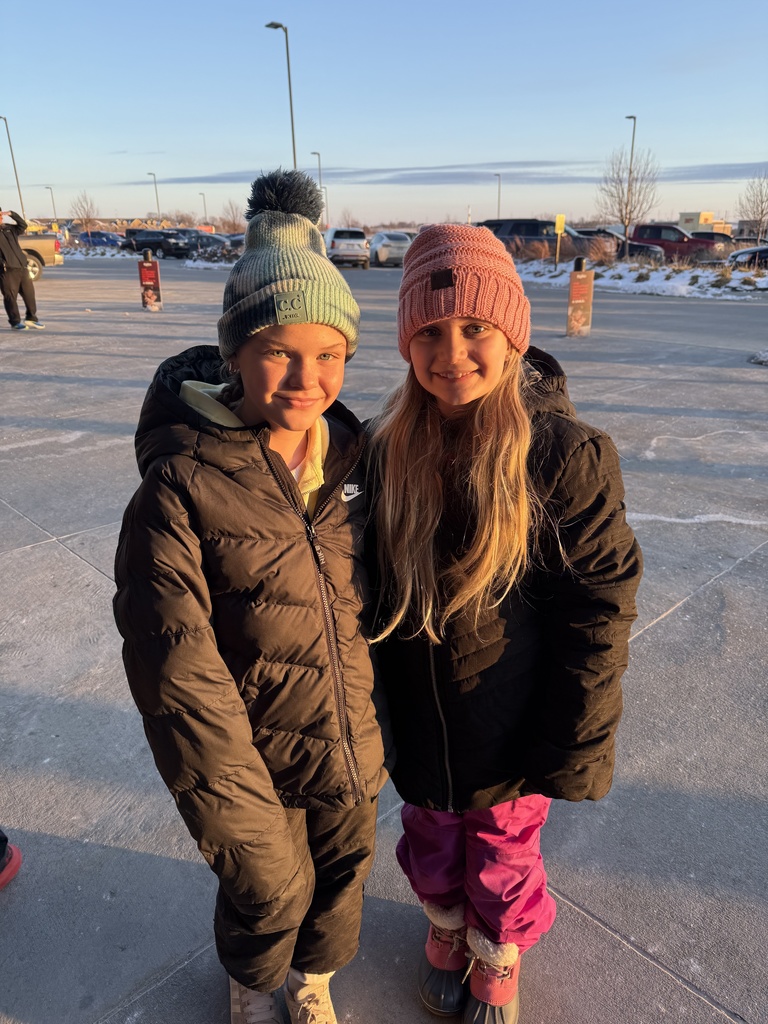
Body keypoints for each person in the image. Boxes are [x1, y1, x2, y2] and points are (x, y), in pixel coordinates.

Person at [113, 170, 392, 1024]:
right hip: (249, 763)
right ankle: (251, 977)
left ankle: (313, 980)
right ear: (234, 351)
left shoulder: (355, 462)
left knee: (340, 881)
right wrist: (239, 807)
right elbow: (178, 676)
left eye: (330, 355)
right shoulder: (181, 489)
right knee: (267, 890)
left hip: (348, 745)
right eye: (279, 349)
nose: (307, 378)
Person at [367, 224, 642, 1023]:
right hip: (422, 721)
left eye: (475, 330)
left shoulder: (563, 454)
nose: (452, 353)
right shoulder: (384, 450)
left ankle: (499, 948)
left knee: (503, 853)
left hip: (513, 725)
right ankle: (446, 926)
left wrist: (574, 738)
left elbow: (600, 606)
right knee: (429, 838)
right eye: (430, 333)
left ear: (511, 334)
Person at [0, 210, 45, 330]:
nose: (0, 218)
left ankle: (31, 318)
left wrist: (12, 214)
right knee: (10, 297)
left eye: (0, 215)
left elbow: (23, 225)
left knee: (29, 294)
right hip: (6, 270)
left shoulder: (8, 229)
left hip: (22, 268)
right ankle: (15, 322)